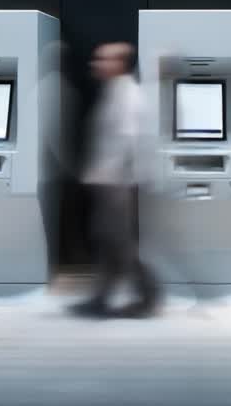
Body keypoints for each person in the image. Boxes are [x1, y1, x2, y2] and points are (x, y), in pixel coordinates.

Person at [68, 42, 162, 318]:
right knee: (108, 240)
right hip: (108, 181)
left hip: (117, 183)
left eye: (103, 60)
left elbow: (126, 142)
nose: (96, 64)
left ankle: (149, 296)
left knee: (120, 244)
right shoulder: (114, 91)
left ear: (120, 63)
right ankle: (102, 297)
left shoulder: (128, 95)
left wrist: (106, 175)